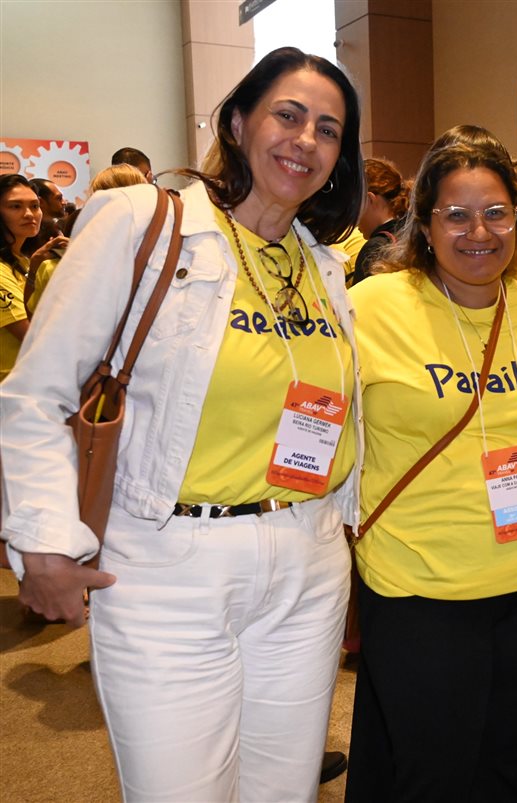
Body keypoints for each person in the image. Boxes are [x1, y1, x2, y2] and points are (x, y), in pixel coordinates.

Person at [0, 46, 364, 800]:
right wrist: (43, 540)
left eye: (328, 130)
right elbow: (35, 392)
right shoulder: (144, 221)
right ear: (237, 122)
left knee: (282, 790)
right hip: (168, 566)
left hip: (307, 565)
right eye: (288, 116)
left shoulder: (321, 265)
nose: (306, 141)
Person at [345, 131, 517, 801]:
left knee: (511, 765)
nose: (478, 231)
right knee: (433, 773)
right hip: (423, 589)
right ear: (423, 221)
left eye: (496, 212)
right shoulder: (372, 308)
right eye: (456, 213)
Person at [25, 164, 148, 316]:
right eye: (16, 206)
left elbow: (36, 323)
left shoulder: (58, 268)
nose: (64, 202)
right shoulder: (166, 256)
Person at [0, 174, 65, 382]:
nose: (30, 214)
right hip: (12, 391)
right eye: (15, 206)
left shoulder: (23, 260)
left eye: (35, 206)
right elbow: (31, 338)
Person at [350, 156, 410, 285]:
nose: (353, 216)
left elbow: (360, 302)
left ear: (370, 199)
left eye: (354, 205)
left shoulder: (376, 248)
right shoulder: (415, 234)